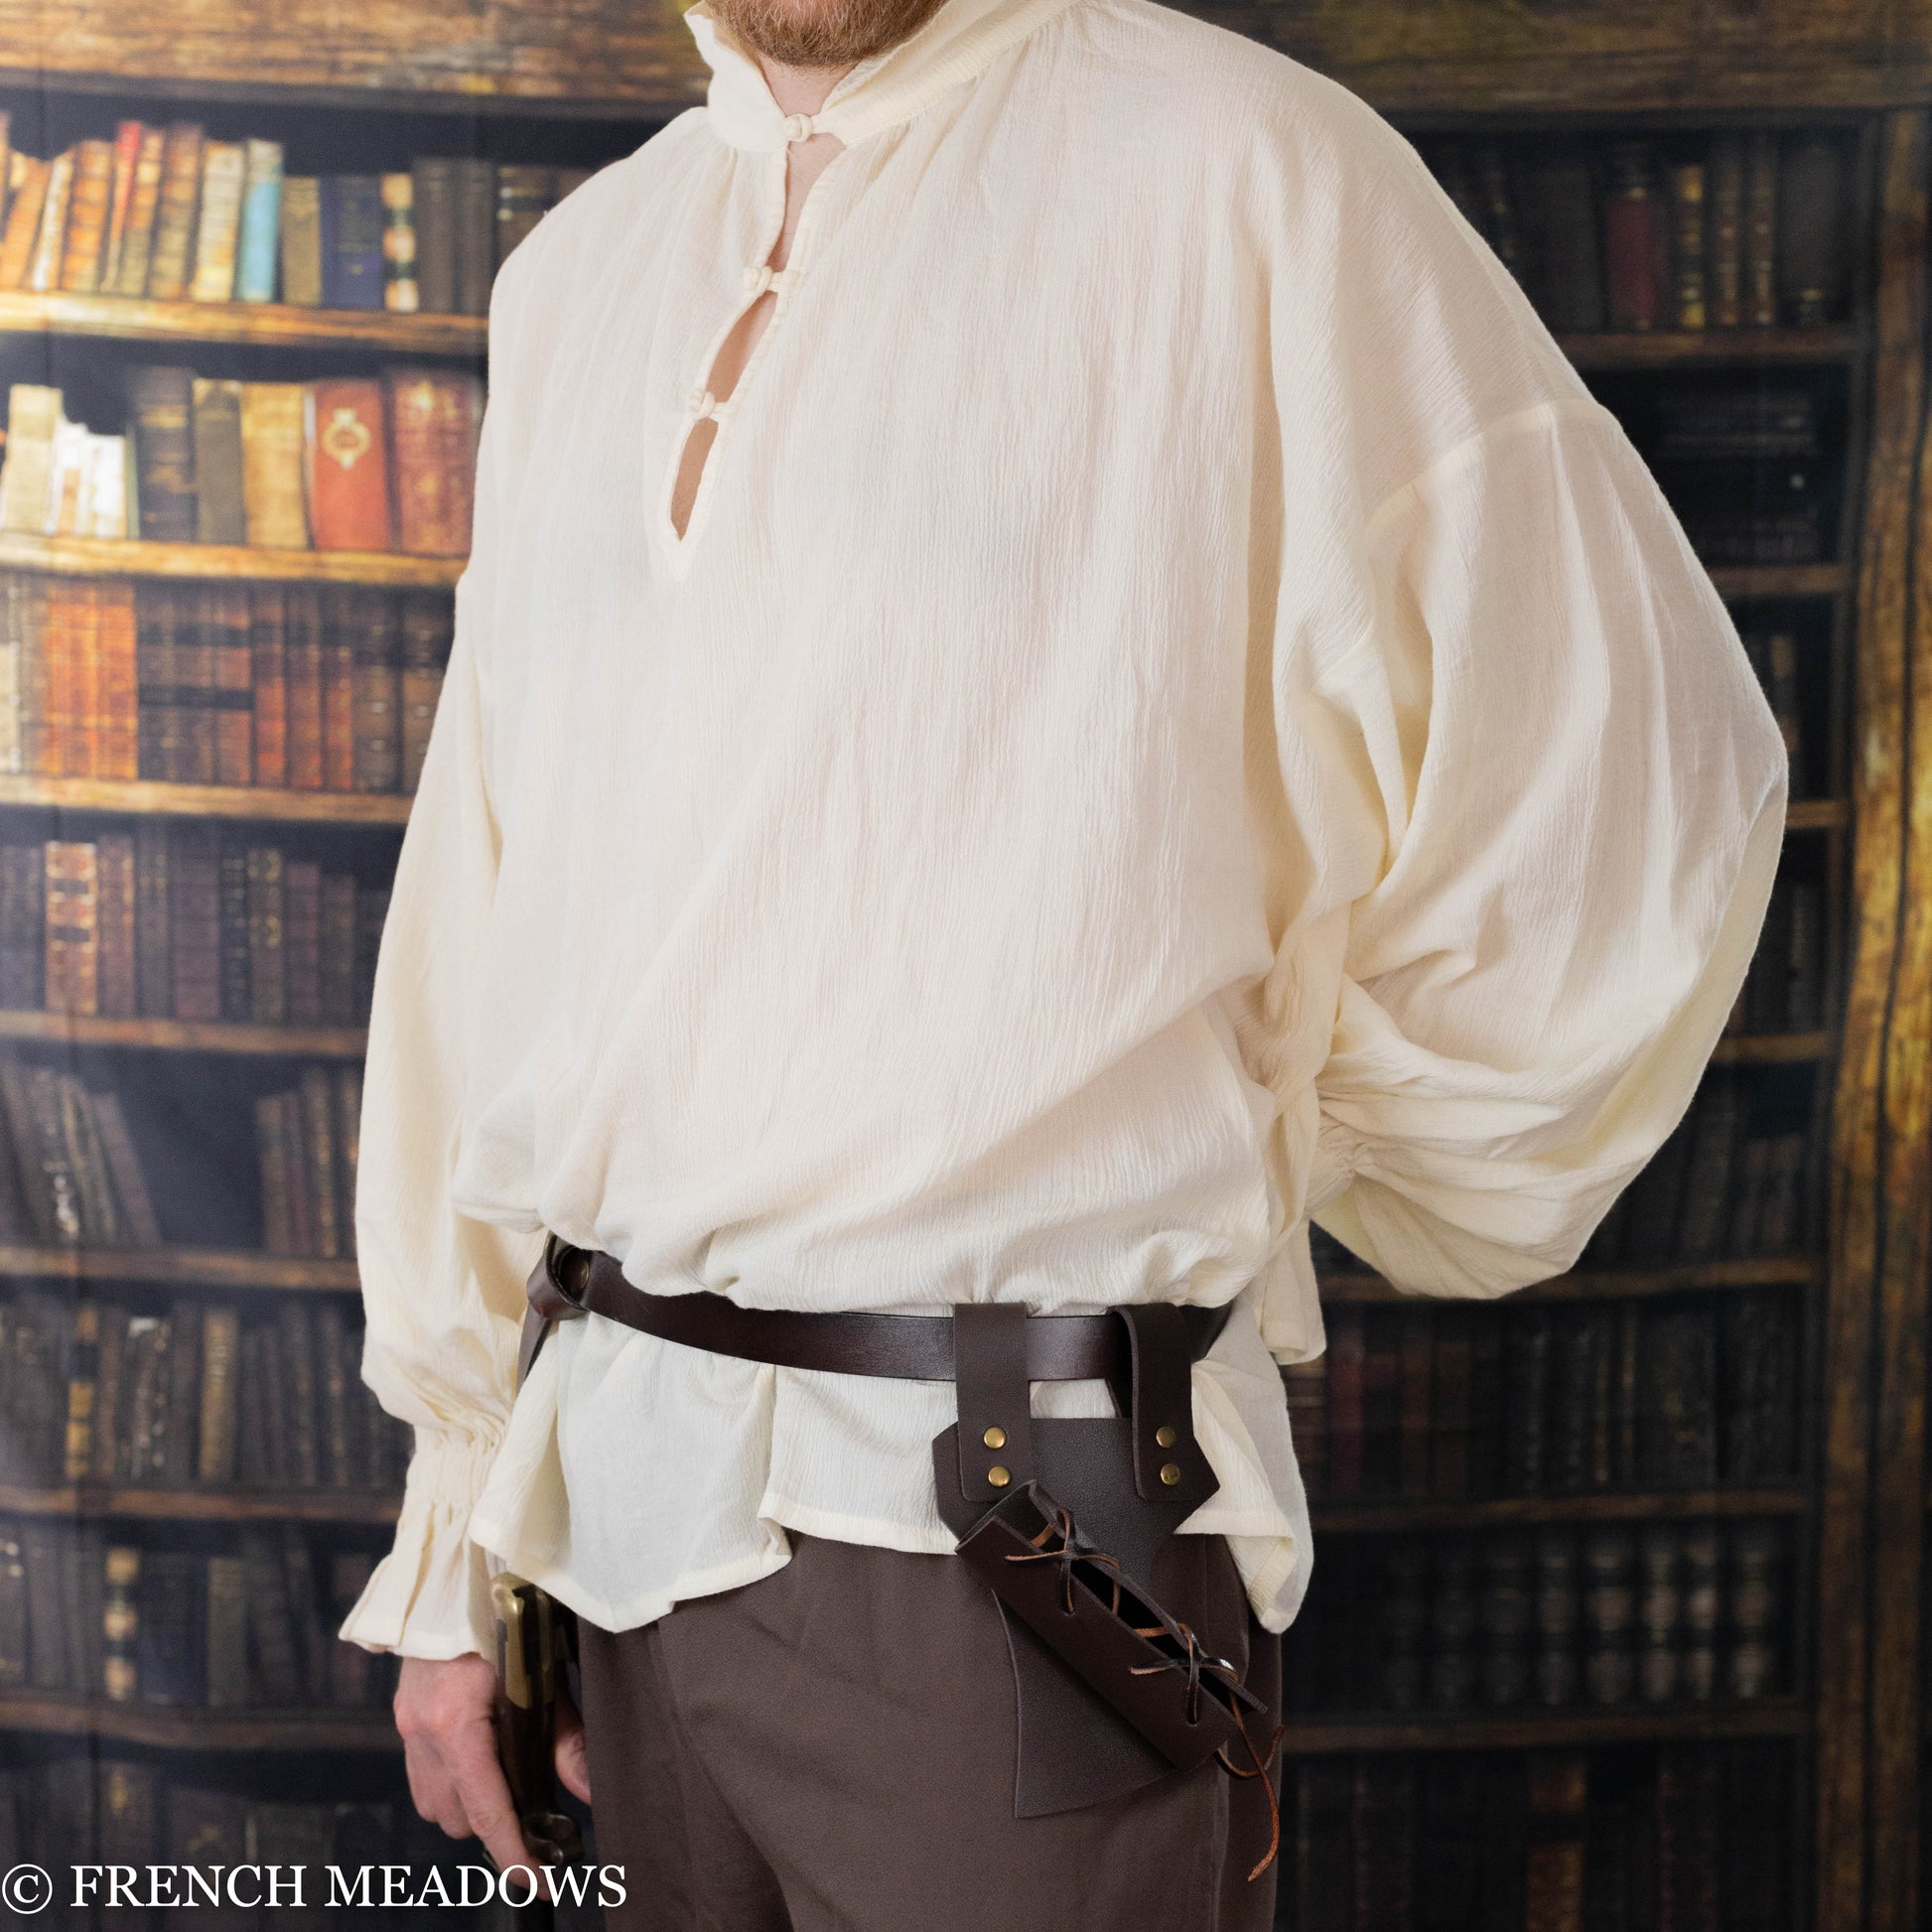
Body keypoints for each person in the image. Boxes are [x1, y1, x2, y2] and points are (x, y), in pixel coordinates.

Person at [337, 0, 1791, 1916]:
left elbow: (1633, 758)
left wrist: (1276, 1121)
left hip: (1017, 1527)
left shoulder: (1242, 167)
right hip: (618, 1523)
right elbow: (490, 914)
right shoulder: (580, 270)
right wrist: (463, 1529)